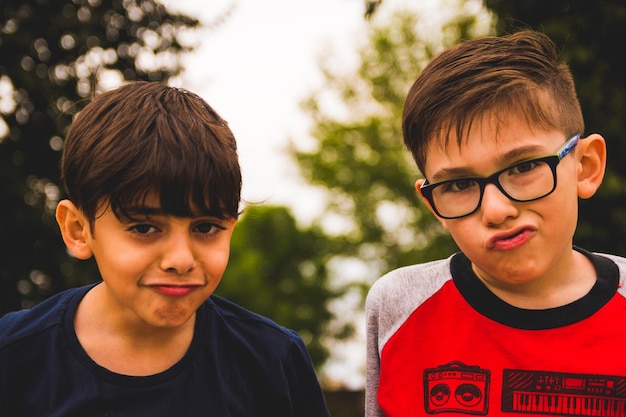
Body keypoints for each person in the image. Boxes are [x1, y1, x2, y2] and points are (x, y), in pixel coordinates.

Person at [0, 81, 331, 417]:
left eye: (205, 228)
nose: (181, 260)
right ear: (78, 230)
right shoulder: (13, 356)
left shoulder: (273, 360)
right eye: (144, 228)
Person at [365, 29, 626, 416]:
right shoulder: (397, 306)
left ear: (585, 167)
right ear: (432, 203)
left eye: (523, 167)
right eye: (459, 184)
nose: (496, 210)